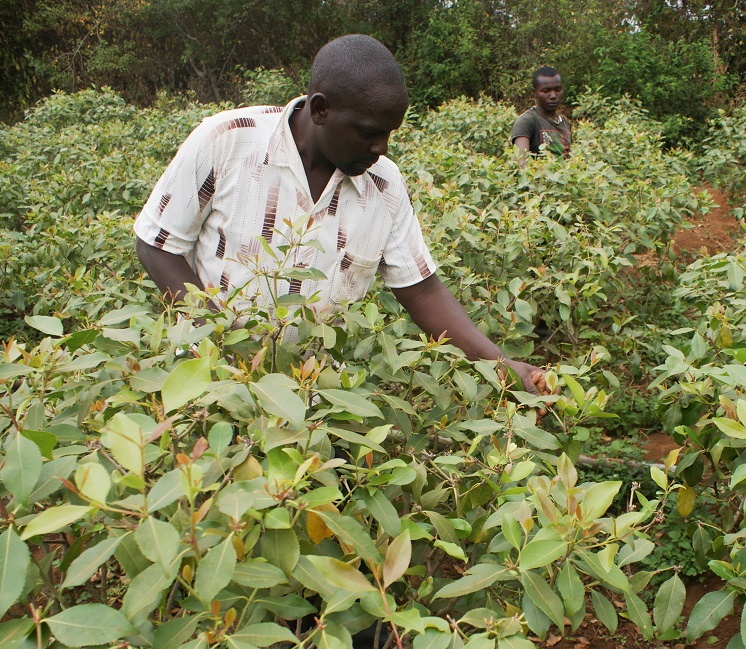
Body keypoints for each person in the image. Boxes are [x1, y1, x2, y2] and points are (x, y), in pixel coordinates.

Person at [134, 34, 545, 394]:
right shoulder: (225, 141)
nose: (380, 148)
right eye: (368, 132)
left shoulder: (384, 185)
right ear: (320, 109)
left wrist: (501, 368)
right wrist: (221, 345)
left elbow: (421, 290)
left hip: (319, 393)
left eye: (389, 134)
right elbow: (158, 246)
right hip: (208, 380)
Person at [511, 66, 572, 164]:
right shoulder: (526, 121)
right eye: (546, 91)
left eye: (558, 89)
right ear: (535, 92)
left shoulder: (564, 121)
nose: (553, 96)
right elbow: (521, 163)